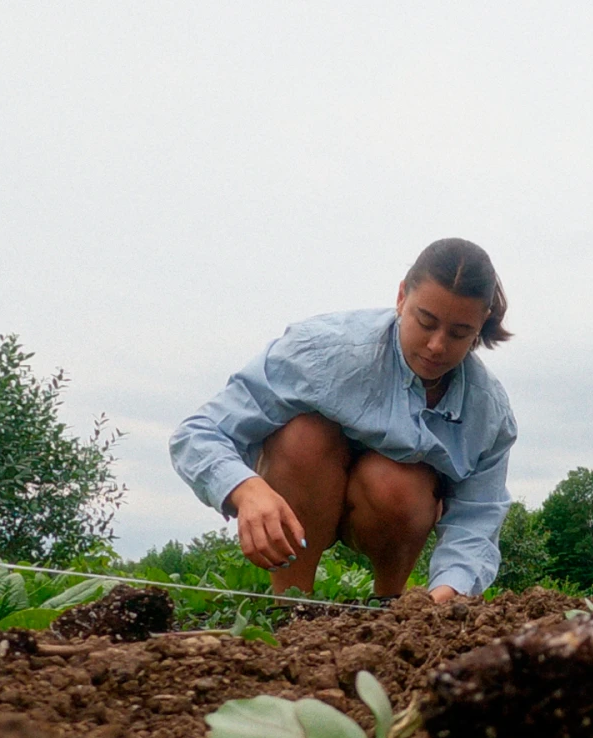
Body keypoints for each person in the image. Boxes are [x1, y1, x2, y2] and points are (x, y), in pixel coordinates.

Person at [170, 238, 517, 603]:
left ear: (481, 326)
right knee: (303, 436)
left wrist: (443, 597)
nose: (436, 345)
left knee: (399, 479)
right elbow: (198, 433)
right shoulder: (323, 351)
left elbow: (477, 518)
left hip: (385, 510)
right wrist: (246, 490)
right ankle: (292, 606)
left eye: (459, 333)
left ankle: (391, 609)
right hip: (303, 490)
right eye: (425, 322)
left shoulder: (488, 412)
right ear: (401, 297)